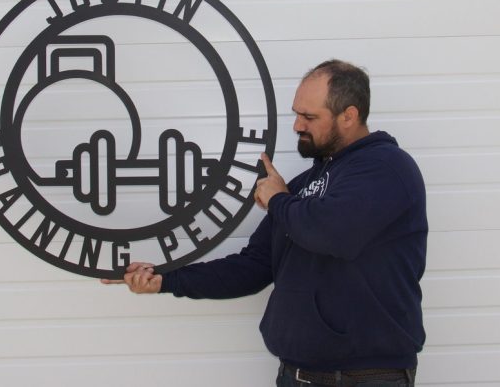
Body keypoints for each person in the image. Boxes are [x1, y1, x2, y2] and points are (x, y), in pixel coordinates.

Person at [102, 60, 428, 386]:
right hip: (296, 375)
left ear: (349, 116)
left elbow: (332, 233)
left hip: (364, 377)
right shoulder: (303, 187)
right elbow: (252, 266)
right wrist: (165, 279)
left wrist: (277, 200)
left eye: (309, 117)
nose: (297, 125)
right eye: (296, 114)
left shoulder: (386, 168)